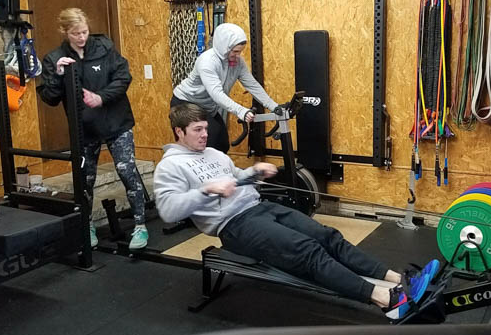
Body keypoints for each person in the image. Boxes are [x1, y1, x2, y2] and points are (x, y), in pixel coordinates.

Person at [153, 103, 438, 319]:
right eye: (197, 130)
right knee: (306, 251)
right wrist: (206, 190)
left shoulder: (214, 154)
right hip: (233, 226)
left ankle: (396, 278)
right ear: (179, 131)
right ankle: (385, 300)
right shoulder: (171, 165)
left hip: (259, 207)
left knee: (328, 236)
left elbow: (235, 177)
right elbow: (168, 210)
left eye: (206, 128)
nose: (205, 135)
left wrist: (254, 172)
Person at [37, 8, 148, 250]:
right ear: (64, 32)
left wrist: (101, 97)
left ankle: (140, 225)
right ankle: (87, 225)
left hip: (116, 121)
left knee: (127, 171)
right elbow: (49, 98)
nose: (81, 37)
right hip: (84, 128)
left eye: (84, 32)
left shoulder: (104, 48)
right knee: (85, 180)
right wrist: (58, 75)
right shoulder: (55, 58)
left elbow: (123, 78)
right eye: (75, 33)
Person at [170, 23, 279, 154]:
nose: (238, 55)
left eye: (240, 51)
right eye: (235, 51)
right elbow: (216, 93)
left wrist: (274, 106)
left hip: (207, 107)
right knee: (208, 142)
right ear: (224, 47)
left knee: (222, 143)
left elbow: (252, 85)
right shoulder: (207, 61)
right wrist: (241, 111)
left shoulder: (237, 62)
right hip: (185, 103)